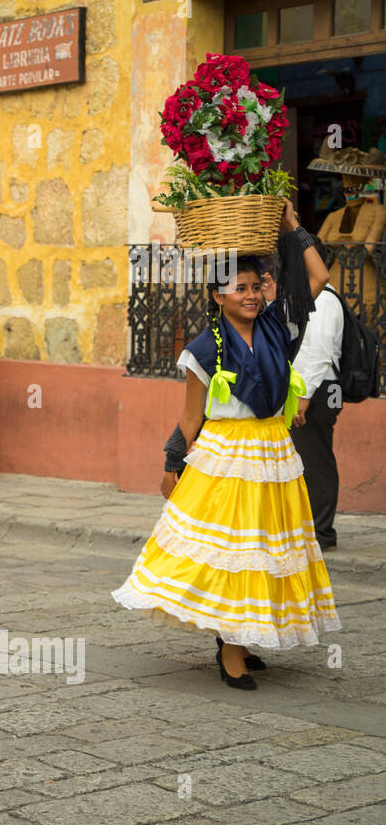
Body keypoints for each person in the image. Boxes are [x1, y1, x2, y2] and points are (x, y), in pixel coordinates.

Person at [114, 204, 340, 690]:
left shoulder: (279, 326)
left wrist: (291, 225)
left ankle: (237, 636)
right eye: (240, 289)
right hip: (225, 459)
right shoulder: (203, 349)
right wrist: (174, 463)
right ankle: (232, 649)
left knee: (264, 550)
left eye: (256, 287)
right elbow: (191, 416)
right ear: (218, 296)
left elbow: (319, 274)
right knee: (236, 553)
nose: (252, 296)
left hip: (273, 453)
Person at [289, 281, 345, 552]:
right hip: (319, 388)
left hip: (321, 389)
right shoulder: (309, 296)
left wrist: (304, 396)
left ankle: (322, 533)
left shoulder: (322, 298)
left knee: (316, 458)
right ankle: (311, 528)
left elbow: (321, 352)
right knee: (308, 456)